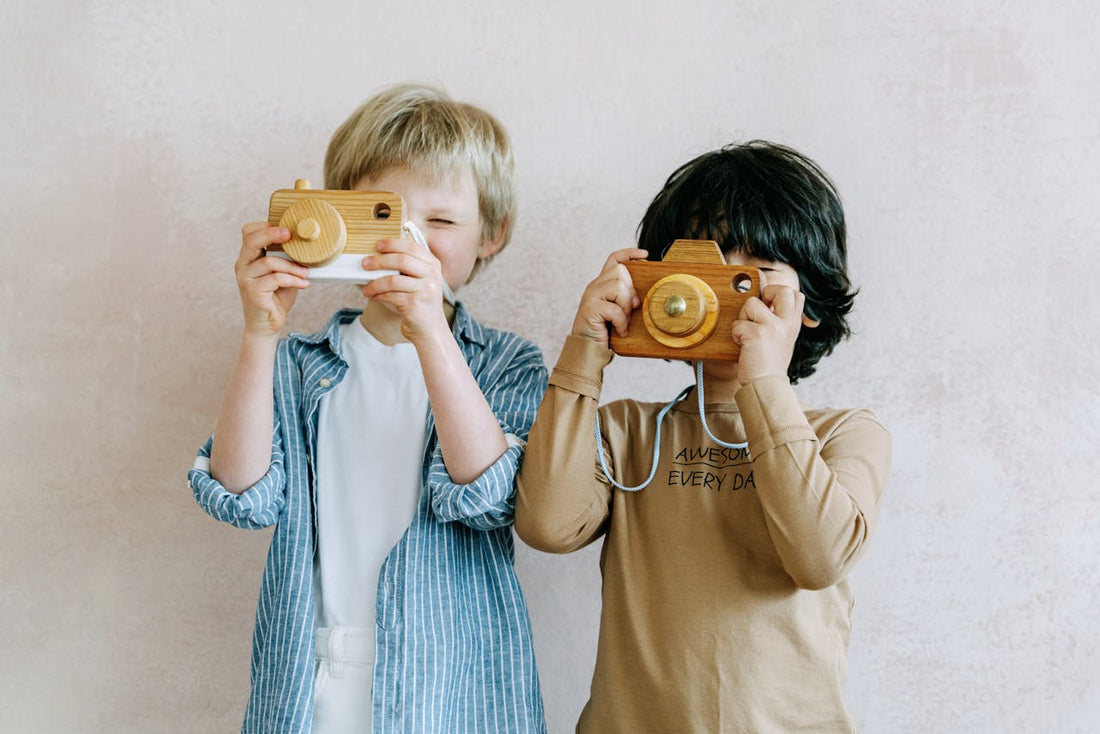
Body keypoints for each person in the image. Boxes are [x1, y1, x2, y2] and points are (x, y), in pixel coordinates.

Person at [189, 84, 546, 734]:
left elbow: (493, 497)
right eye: (384, 216)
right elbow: (240, 495)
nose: (409, 241)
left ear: (490, 236)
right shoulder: (298, 364)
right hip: (310, 682)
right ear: (330, 217)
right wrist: (260, 333)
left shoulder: (507, 364)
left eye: (439, 223)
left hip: (454, 690)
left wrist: (430, 330)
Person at [515, 141, 891, 733]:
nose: (725, 296)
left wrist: (762, 379)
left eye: (754, 275)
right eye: (702, 273)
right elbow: (547, 526)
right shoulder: (626, 432)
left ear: (809, 304)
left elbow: (818, 558)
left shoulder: (845, 434)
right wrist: (586, 346)